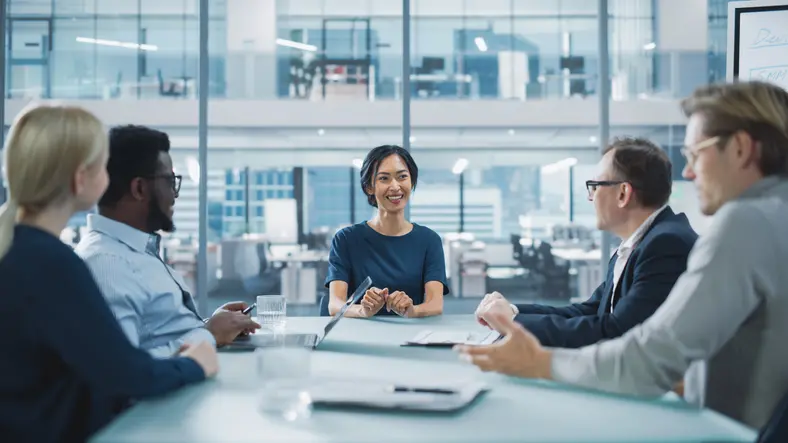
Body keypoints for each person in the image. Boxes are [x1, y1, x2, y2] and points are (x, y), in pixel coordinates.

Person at [456, 80, 788, 430]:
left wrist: (540, 362)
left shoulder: (745, 223)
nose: (688, 172)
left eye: (694, 154)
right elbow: (596, 312)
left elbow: (650, 357)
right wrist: (516, 315)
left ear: (739, 148)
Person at [0, 105, 217, 443]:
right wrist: (197, 363)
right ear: (80, 178)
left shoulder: (19, 250)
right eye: (103, 165)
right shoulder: (51, 264)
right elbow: (125, 373)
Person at [475, 137, 697, 348]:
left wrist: (512, 321)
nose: (591, 198)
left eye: (595, 186)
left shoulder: (665, 245)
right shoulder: (641, 243)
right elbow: (591, 311)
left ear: (623, 193)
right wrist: (512, 311)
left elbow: (617, 332)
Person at [75, 125, 259, 358]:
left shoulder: (135, 249)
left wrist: (212, 326)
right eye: (169, 181)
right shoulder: (108, 264)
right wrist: (208, 335)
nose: (174, 194)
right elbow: (121, 365)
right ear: (140, 188)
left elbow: (158, 335)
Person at [326, 145, 448, 318]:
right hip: (359, 335)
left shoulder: (429, 240)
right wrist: (363, 310)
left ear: (411, 182)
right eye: (384, 178)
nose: (395, 186)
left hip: (411, 334)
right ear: (369, 187)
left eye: (402, 177)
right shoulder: (346, 239)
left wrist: (412, 310)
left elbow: (435, 305)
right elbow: (334, 305)